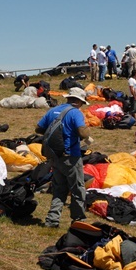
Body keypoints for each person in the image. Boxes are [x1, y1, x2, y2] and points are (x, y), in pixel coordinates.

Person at [35, 87, 91, 228]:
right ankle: (78, 220)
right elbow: (82, 133)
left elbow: (39, 129)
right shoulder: (75, 113)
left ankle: (52, 220)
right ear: (78, 101)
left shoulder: (53, 111)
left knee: (59, 188)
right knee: (77, 188)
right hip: (71, 156)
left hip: (55, 156)